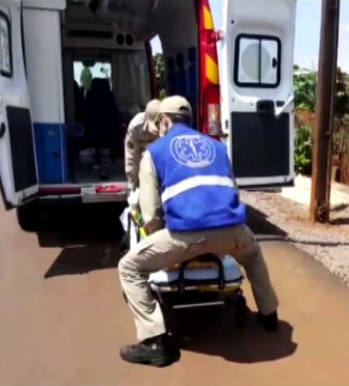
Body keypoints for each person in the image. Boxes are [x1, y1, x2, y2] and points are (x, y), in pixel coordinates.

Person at [117, 96, 279, 367]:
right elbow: (233, 194)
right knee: (252, 253)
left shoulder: (154, 152)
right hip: (233, 230)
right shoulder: (218, 147)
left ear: (165, 121)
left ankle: (154, 341)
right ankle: (269, 313)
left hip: (186, 235)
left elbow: (151, 215)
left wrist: (164, 245)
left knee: (128, 268)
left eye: (160, 123)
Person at [124, 99, 161, 190]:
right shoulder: (136, 126)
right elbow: (132, 158)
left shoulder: (168, 126)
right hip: (142, 158)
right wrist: (133, 186)